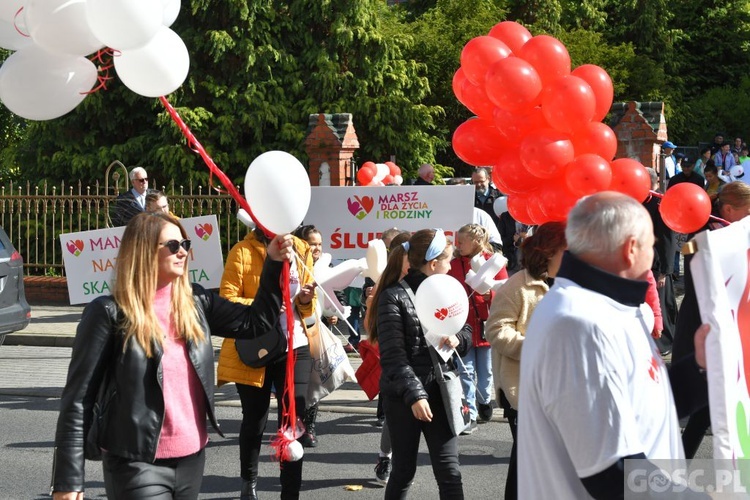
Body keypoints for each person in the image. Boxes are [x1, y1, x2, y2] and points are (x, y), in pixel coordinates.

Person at [50, 212, 293, 500]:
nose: (182, 251)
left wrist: (274, 262)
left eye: (185, 244)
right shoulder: (108, 313)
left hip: (192, 458)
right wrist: (68, 479)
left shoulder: (196, 302)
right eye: (173, 245)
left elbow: (256, 322)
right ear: (143, 251)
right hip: (136, 462)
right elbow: (78, 399)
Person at [518, 192, 709, 499]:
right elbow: (611, 472)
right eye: (652, 247)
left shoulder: (609, 308)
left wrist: (702, 367)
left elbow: (645, 405)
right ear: (631, 249)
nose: (655, 258)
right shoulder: (579, 321)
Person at [216, 226, 316, 500]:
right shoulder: (242, 251)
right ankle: (249, 484)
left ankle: (290, 493)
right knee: (255, 420)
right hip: (255, 345)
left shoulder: (301, 248)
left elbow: (308, 306)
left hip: (295, 346)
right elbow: (228, 298)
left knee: (292, 418)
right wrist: (264, 304)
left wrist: (306, 300)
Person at [374, 228, 472, 499]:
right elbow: (394, 357)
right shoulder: (393, 296)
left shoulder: (448, 289)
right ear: (433, 264)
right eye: (448, 260)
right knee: (404, 471)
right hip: (404, 397)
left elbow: (467, 331)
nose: (451, 266)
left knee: (450, 473)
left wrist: (458, 339)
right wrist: (416, 396)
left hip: (441, 390)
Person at [485, 221, 566, 500]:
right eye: (569, 250)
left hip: (557, 389)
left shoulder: (569, 284)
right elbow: (495, 331)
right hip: (522, 389)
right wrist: (535, 347)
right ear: (550, 252)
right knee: (526, 464)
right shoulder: (516, 286)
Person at [673, 181, 750, 458]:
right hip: (703, 330)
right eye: (748, 211)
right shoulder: (701, 238)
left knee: (707, 414)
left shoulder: (734, 234)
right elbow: (698, 285)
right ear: (728, 209)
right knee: (701, 411)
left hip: (727, 331)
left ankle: (673, 472)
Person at [447, 223, 508, 435]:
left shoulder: (493, 262)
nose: (458, 244)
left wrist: (488, 294)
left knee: (487, 371)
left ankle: (484, 400)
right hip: (462, 326)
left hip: (486, 323)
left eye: (461, 241)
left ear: (475, 241)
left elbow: (505, 290)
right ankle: (470, 414)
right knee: (465, 370)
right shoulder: (453, 264)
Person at [362, 230, 411, 486]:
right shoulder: (385, 287)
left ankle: (402, 465)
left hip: (422, 361)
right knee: (395, 417)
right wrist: (373, 306)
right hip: (395, 361)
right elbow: (370, 328)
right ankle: (385, 458)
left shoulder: (427, 281)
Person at [292, 224, 339, 449]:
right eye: (313, 243)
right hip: (297, 326)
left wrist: (333, 313)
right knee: (297, 381)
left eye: (320, 243)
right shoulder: (295, 266)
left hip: (316, 325)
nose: (317, 248)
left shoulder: (322, 266)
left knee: (315, 376)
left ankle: (309, 426)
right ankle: (292, 422)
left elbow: (330, 293)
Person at [644, 168, 678, 356]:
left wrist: (665, 270)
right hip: (648, 261)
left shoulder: (660, 202)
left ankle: (665, 343)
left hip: (659, 265)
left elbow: (667, 238)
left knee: (663, 304)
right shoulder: (645, 200)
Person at [471, 167, 504, 236]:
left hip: (496, 235)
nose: (479, 185)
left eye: (481, 181)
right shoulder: (469, 197)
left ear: (488, 179)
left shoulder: (499, 196)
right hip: (475, 237)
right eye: (476, 182)